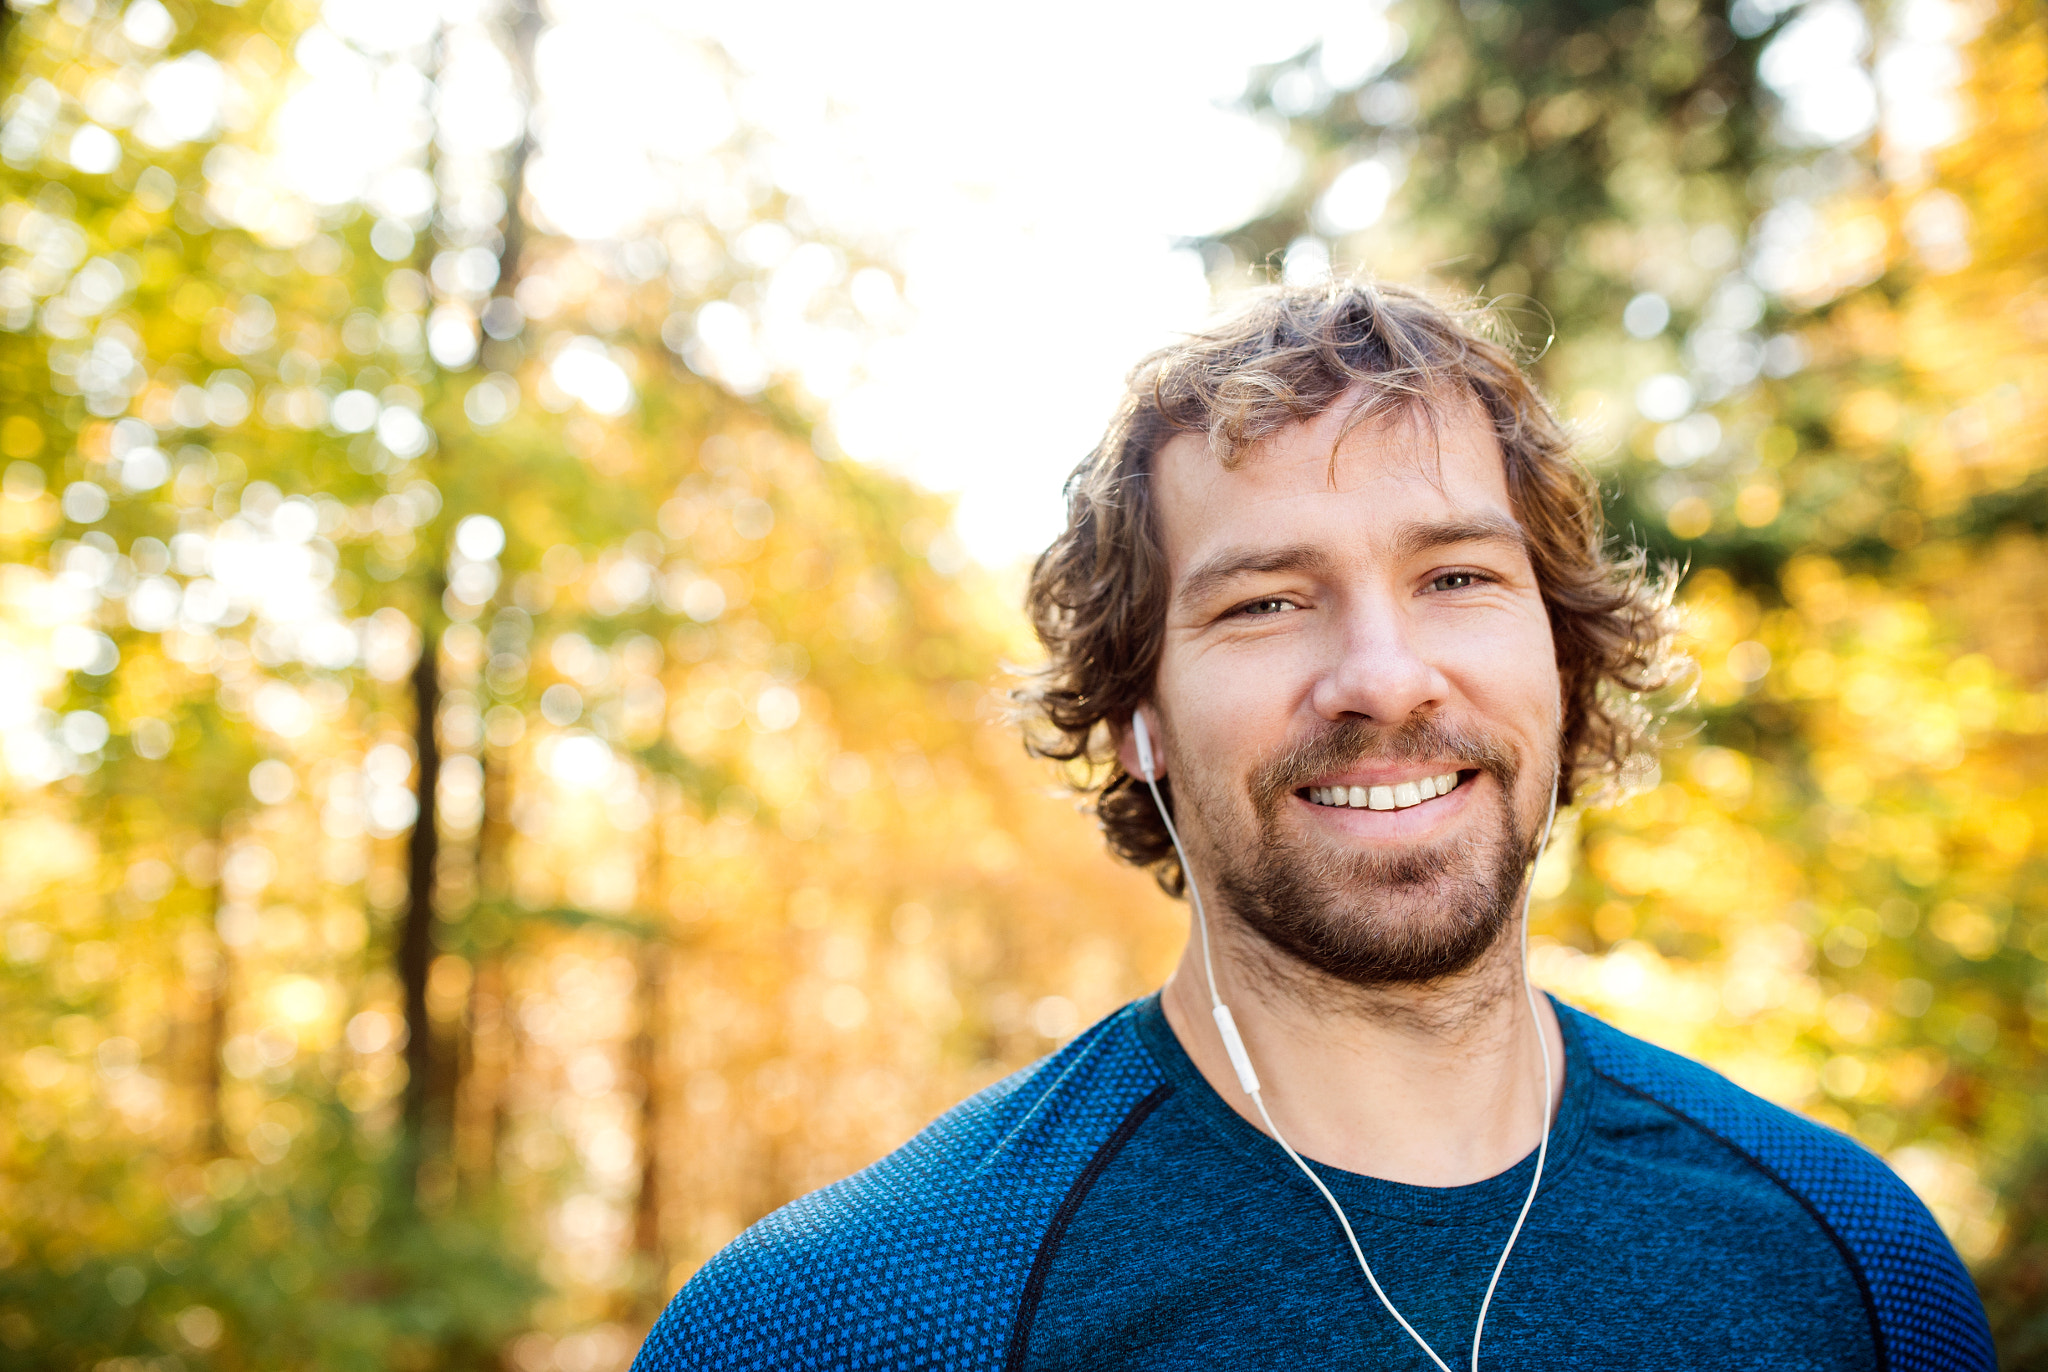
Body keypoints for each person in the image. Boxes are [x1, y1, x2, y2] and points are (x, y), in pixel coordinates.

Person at [630, 280, 1993, 1370]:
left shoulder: (1856, 1269)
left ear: (1564, 667)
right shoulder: (846, 1325)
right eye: (1267, 601)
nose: (1384, 675)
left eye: (1456, 575)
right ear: (1138, 718)